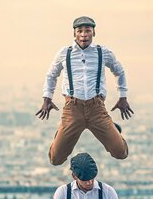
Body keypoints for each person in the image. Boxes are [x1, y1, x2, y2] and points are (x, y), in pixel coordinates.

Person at [36, 16, 134, 166]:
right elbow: (51, 75)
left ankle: (113, 129)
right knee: (56, 159)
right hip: (72, 108)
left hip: (97, 108)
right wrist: (46, 98)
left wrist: (123, 97)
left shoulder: (103, 52)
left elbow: (119, 71)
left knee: (120, 153)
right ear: (74, 33)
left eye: (87, 30)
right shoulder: (64, 53)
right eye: (79, 31)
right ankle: (61, 132)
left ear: (93, 33)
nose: (83, 34)